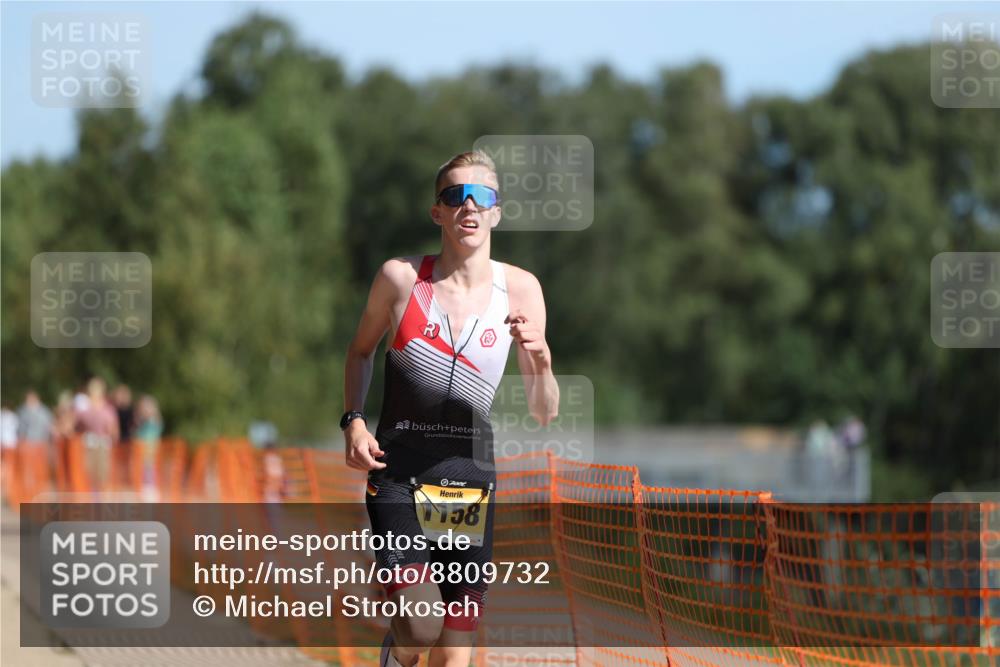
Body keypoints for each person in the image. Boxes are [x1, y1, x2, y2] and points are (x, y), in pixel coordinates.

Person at [343, 151, 559, 667]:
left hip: (468, 479)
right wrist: (353, 421)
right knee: (421, 627)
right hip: (399, 473)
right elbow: (360, 353)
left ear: (496, 212)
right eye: (455, 196)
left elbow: (544, 411)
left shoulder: (522, 289)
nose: (469, 206)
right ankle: (399, 645)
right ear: (437, 211)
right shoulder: (401, 279)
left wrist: (541, 359)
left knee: (453, 654)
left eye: (481, 196)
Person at [75, 377, 119, 495]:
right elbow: (78, 424)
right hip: (89, 444)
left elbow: (113, 429)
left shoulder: (108, 409)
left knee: (103, 472)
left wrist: (112, 434)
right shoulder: (84, 407)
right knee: (89, 471)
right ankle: (93, 495)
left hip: (103, 445)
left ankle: (102, 496)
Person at [133, 395, 163, 501]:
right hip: (142, 452)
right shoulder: (143, 423)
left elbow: (148, 437)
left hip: (149, 451)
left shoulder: (153, 423)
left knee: (149, 471)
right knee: (144, 471)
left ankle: (150, 492)